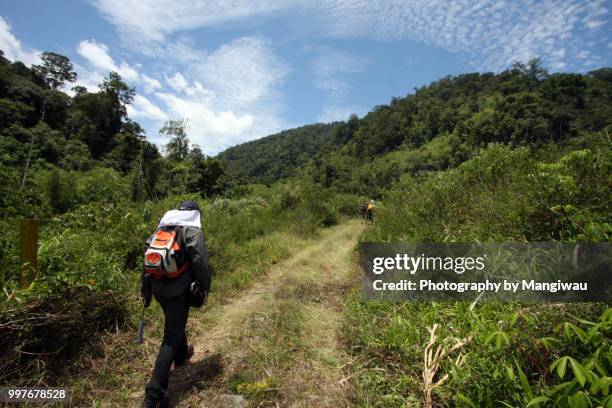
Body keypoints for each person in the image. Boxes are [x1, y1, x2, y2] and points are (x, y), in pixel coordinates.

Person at [140, 200, 212, 408]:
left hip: (158, 288)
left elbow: (146, 260)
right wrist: (205, 288)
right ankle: (154, 396)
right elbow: (200, 262)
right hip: (179, 290)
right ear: (195, 213)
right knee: (171, 335)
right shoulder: (192, 231)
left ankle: (181, 356)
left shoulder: (162, 227)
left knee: (174, 323)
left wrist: (145, 291)